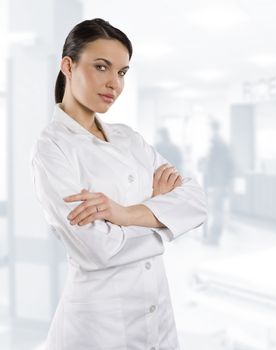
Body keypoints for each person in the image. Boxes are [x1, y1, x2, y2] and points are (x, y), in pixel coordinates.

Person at [30, 18, 207, 350]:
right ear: (68, 66)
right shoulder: (52, 147)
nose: (114, 83)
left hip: (158, 316)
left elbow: (196, 202)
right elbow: (96, 249)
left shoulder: (128, 138)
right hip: (100, 326)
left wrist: (123, 214)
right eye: (101, 67)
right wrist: (164, 217)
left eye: (122, 72)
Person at [202, 120, 233, 245]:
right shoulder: (219, 144)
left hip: (218, 182)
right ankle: (213, 236)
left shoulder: (218, 144)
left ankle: (214, 238)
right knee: (216, 209)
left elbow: (217, 165)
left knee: (217, 209)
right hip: (218, 182)